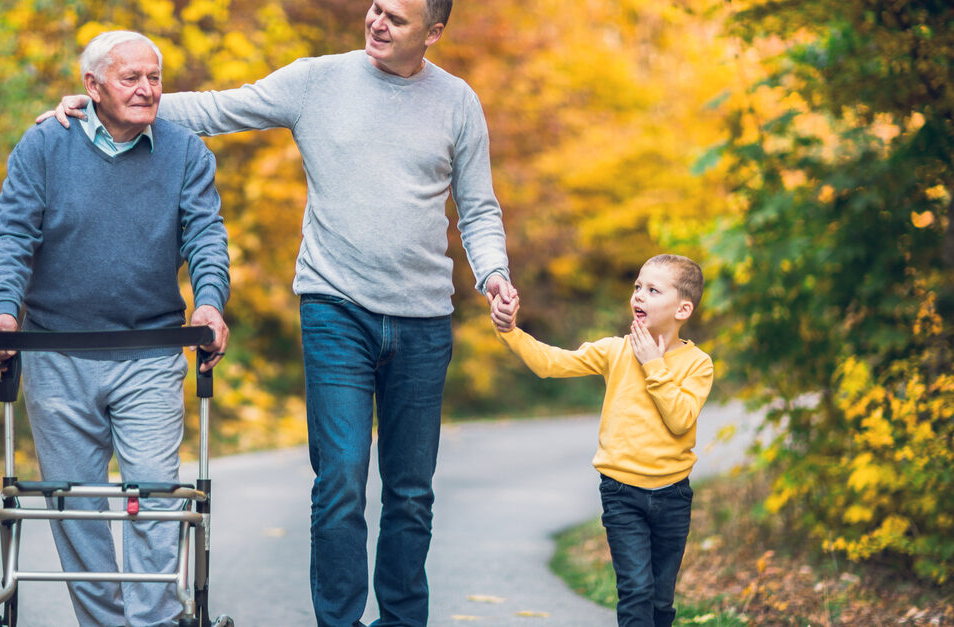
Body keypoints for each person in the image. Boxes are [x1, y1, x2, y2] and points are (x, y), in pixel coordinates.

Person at [37, 2, 515, 626]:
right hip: (335, 307)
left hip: (424, 318)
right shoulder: (317, 80)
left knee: (410, 491)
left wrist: (495, 274)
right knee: (341, 482)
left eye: (395, 18)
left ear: (432, 33)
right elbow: (216, 108)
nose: (376, 21)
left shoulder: (457, 102)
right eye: (374, 7)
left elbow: (478, 209)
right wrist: (100, 100)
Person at [0, 30, 231, 627]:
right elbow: (14, 236)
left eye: (155, 78)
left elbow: (206, 238)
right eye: (131, 78)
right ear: (92, 87)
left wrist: (210, 304)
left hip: (151, 348)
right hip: (56, 351)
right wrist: (1, 310)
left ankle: (152, 621)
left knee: (154, 498)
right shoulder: (43, 145)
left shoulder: (185, 151)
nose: (147, 90)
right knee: (76, 507)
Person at [489, 254, 714, 627]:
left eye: (653, 290)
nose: (639, 295)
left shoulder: (698, 364)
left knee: (660, 599)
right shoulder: (615, 350)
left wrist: (652, 364)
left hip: (673, 496)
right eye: (637, 286)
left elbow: (680, 420)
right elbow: (551, 363)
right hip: (621, 493)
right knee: (635, 590)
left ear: (682, 309)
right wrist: (511, 331)